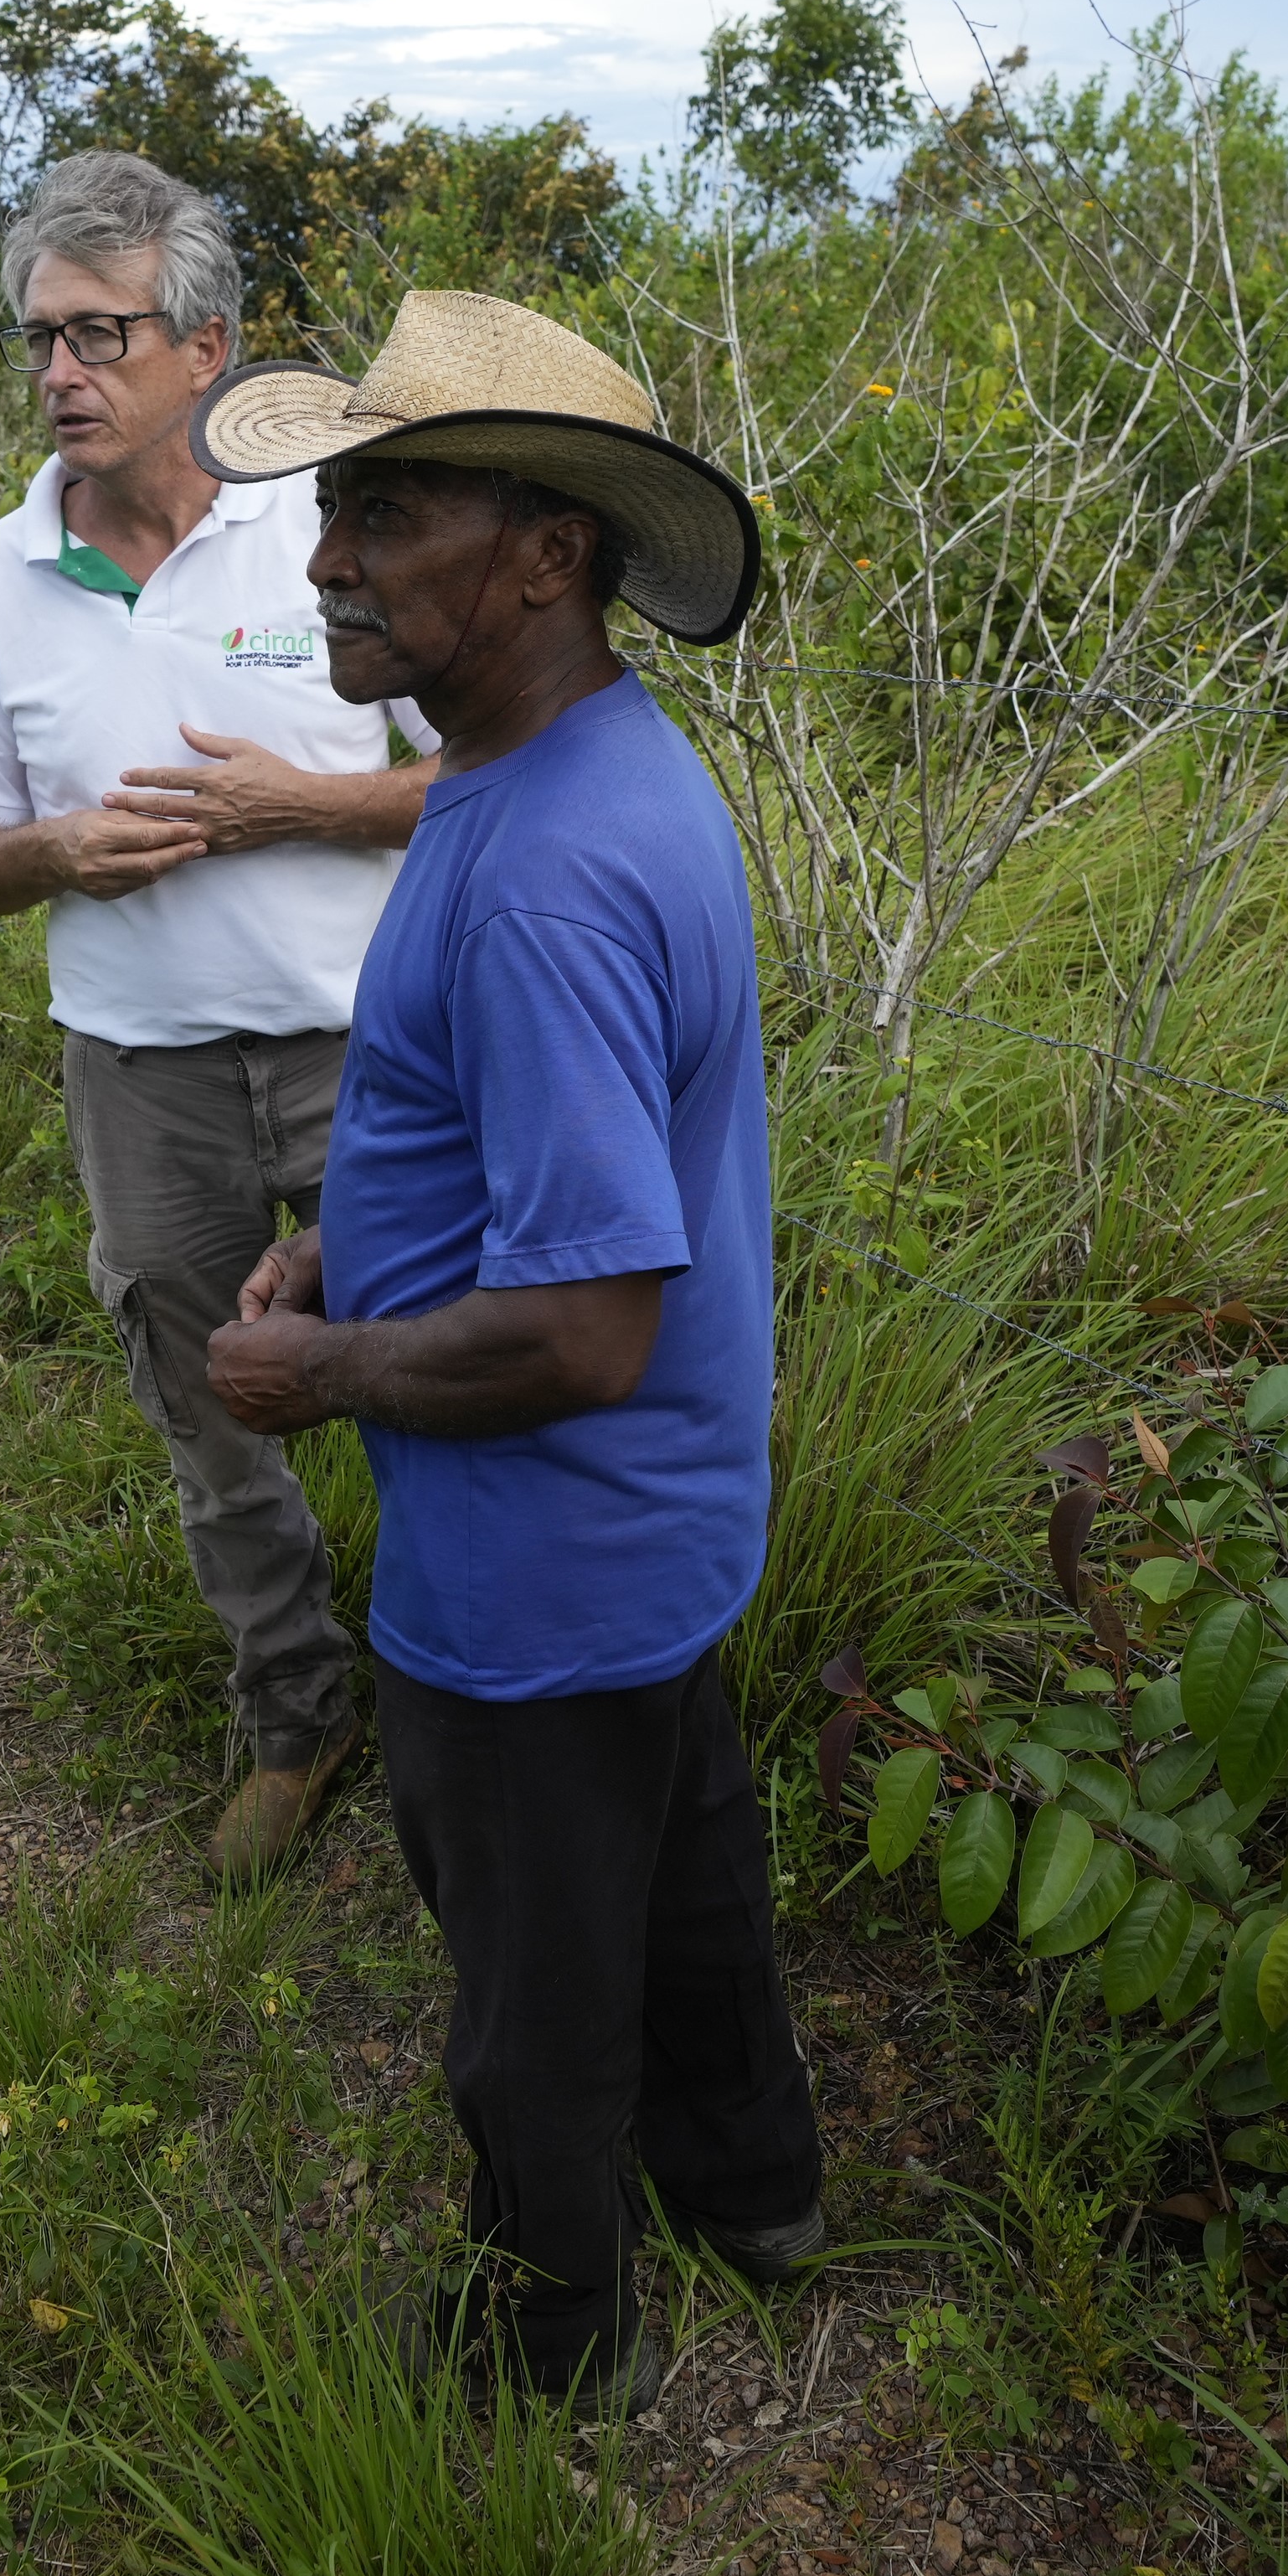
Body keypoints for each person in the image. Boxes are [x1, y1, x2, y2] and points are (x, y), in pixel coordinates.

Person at [194, 291, 822, 2414]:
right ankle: (758, 2193)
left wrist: (323, 1377)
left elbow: (577, 1324)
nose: (325, 558)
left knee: (531, 1981)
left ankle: (545, 2335)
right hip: (653, 1543)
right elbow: (530, 1164)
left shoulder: (548, 868)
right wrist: (339, 1262)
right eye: (335, 506)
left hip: (536, 1558)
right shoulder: (571, 765)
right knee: (684, 1865)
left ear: (547, 554)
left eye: (387, 509)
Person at [0, 151, 435, 1882]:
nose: (58, 372)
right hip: (141, 1075)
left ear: (204, 348)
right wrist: (52, 849)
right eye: (38, 339)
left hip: (373, 1051)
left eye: (97, 334)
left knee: (438, 1375)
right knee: (216, 1411)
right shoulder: (7, 578)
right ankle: (300, 1714)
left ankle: (472, 1703)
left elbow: (495, 772)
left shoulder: (330, 528)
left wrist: (315, 807)